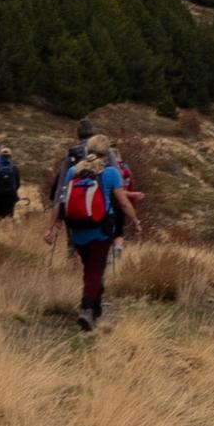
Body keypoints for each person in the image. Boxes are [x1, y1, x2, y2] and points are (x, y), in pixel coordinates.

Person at [45, 135, 140, 330]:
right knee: (95, 270)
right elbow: (122, 201)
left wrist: (52, 227)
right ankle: (86, 309)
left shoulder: (73, 170)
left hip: (77, 230)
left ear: (88, 150)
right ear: (107, 153)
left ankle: (95, 307)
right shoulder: (111, 173)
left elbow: (61, 201)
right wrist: (136, 221)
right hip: (101, 230)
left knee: (90, 268)